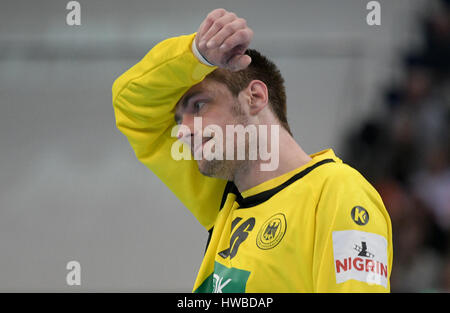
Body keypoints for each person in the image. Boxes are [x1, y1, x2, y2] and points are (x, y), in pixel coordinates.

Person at [112, 8, 393, 292]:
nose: (183, 131)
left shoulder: (336, 191)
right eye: (178, 120)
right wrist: (194, 56)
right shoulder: (225, 199)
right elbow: (132, 108)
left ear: (255, 97)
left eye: (198, 106)